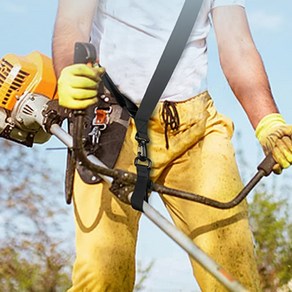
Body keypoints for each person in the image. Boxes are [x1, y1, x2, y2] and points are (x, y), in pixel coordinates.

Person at [53, 0, 292, 291]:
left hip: (195, 130)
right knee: (102, 275)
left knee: (231, 270)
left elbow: (238, 47)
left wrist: (268, 121)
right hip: (111, 121)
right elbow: (72, 24)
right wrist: (68, 72)